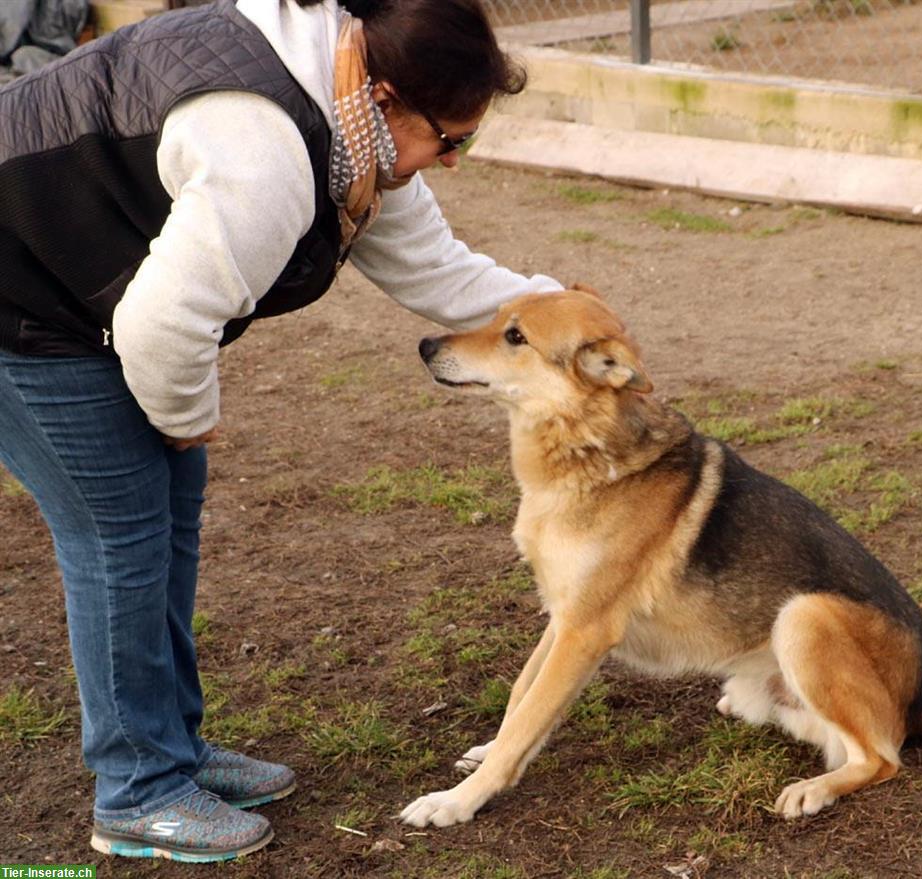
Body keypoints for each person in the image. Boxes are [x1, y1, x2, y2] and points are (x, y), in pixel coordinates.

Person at [0, 0, 560, 863]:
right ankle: (137, 790)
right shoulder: (265, 148)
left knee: (164, 514)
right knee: (119, 535)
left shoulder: (350, 127)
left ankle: (169, 750)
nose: (450, 159)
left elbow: (437, 270)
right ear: (381, 95)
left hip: (77, 290)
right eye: (450, 138)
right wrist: (186, 416)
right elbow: (161, 326)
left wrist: (568, 311)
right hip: (22, 301)